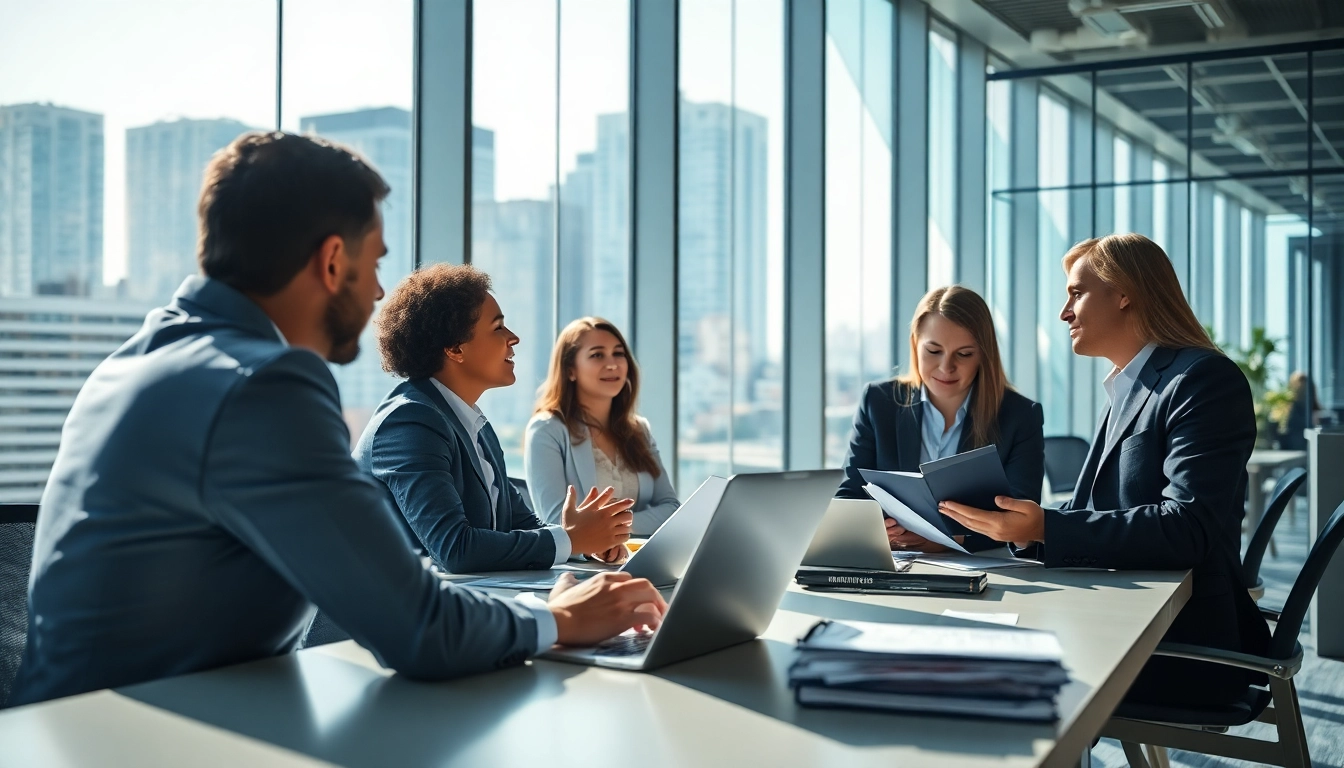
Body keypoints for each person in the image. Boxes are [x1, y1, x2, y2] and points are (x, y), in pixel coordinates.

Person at [10, 132, 665, 707]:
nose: (381, 291)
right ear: (332, 262)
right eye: (375, 262)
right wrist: (558, 620)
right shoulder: (263, 385)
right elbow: (421, 628)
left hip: (101, 722)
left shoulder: (142, 358)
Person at [940, 233, 1271, 707]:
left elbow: (1188, 527)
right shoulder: (1127, 388)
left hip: (1179, 645)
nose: (1064, 312)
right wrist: (1025, 527)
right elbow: (1086, 511)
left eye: (1076, 293)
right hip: (1121, 618)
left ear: (1123, 293)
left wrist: (1047, 526)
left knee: (976, 667)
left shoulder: (1203, 380)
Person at [354, 266, 635, 572]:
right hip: (385, 616)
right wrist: (571, 540)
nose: (513, 338)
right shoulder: (409, 422)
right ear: (455, 348)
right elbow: (454, 548)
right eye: (498, 327)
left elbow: (518, 524)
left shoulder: (472, 424)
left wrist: (585, 546)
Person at [838, 285, 1045, 553]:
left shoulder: (1019, 416)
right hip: (896, 564)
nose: (946, 367)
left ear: (983, 354)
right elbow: (848, 498)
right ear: (915, 344)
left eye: (964, 354)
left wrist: (945, 542)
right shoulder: (878, 402)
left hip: (983, 572)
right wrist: (873, 530)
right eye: (934, 351)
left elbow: (1022, 525)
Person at [525, 318, 679, 538]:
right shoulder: (547, 430)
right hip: (583, 566)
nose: (612, 364)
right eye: (597, 355)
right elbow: (557, 522)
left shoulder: (639, 430)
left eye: (618, 353)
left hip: (642, 554)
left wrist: (610, 525)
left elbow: (671, 508)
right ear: (570, 370)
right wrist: (630, 524)